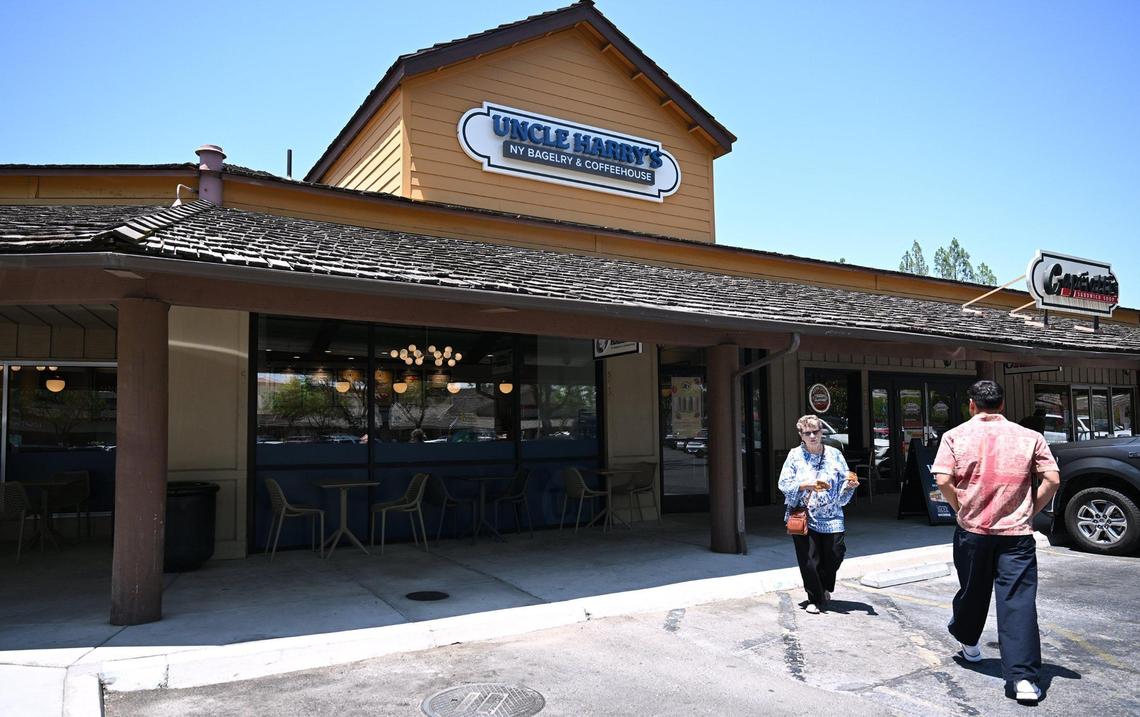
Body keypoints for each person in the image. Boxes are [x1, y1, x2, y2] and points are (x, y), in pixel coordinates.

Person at [932, 380, 1060, 704]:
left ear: (972, 405)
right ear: (1002, 405)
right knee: (1017, 602)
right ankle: (1025, 680)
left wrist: (960, 506)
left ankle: (968, 641)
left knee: (972, 590)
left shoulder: (954, 436)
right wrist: (1032, 508)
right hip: (1016, 533)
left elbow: (943, 478)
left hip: (972, 530)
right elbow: (1053, 478)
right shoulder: (1031, 437)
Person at [778, 414, 860, 614]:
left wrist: (850, 486)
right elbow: (784, 484)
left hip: (832, 514)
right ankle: (815, 597)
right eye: (808, 433)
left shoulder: (834, 454)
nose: (813, 435)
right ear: (801, 435)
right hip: (804, 514)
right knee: (809, 559)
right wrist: (806, 485)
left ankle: (823, 586)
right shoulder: (794, 456)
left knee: (835, 553)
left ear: (822, 432)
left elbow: (844, 483)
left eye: (816, 431)